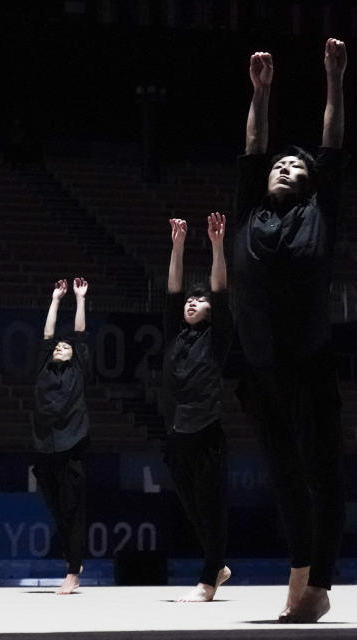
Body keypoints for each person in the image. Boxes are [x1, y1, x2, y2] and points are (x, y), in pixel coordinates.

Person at [231, 38, 347, 623]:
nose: (284, 166)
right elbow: (254, 146)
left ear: (308, 183)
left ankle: (317, 583)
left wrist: (334, 80)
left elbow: (330, 145)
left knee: (321, 473)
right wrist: (261, 93)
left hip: (309, 360)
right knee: (283, 479)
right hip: (259, 368)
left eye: (295, 166)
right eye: (280, 163)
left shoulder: (318, 211)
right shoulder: (250, 210)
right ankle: (301, 574)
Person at [163, 213, 233, 602]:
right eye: (191, 299)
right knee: (192, 508)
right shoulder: (175, 334)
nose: (192, 302)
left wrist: (216, 245)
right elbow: (173, 291)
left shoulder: (217, 338)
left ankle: (209, 579)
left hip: (207, 431)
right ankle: (217, 563)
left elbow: (220, 290)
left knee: (212, 507)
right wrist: (177, 246)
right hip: (177, 432)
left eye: (199, 299)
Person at [33, 277, 90, 595]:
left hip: (72, 445)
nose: (59, 347)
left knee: (72, 509)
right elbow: (46, 335)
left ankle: (72, 571)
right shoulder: (43, 367)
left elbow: (79, 337)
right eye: (58, 346)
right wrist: (55, 299)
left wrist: (79, 299)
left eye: (64, 347)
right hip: (44, 447)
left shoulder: (78, 370)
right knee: (56, 509)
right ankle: (73, 558)